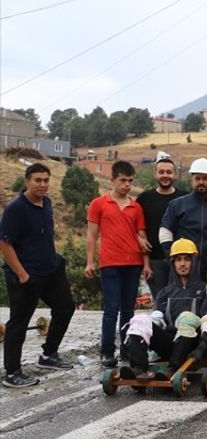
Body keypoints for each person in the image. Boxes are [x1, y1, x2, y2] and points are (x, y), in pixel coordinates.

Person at [1, 164, 75, 387]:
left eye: (46, 180)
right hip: (26, 275)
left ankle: (48, 354)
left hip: (50, 270)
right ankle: (12, 373)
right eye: (37, 180)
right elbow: (4, 243)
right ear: (27, 182)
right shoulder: (16, 209)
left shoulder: (47, 203)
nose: (42, 184)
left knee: (65, 308)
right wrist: (22, 274)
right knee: (19, 323)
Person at [121, 238, 207, 377]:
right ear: (173, 263)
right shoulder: (165, 292)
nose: (182, 264)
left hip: (193, 346)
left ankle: (172, 369)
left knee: (187, 316)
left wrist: (202, 347)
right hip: (170, 344)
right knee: (140, 319)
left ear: (194, 262)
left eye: (187, 259)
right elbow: (157, 320)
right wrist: (143, 332)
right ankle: (138, 368)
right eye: (178, 260)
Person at [85, 160, 149, 367]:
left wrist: (146, 264)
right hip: (110, 262)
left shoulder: (136, 207)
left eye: (130, 181)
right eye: (123, 180)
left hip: (133, 262)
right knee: (111, 309)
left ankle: (127, 348)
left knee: (128, 309)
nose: (127, 185)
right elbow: (92, 235)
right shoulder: (99, 204)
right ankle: (107, 351)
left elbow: (142, 237)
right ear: (113, 180)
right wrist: (89, 262)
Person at [159, 157, 207, 278]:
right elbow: (165, 231)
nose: (201, 182)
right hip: (184, 269)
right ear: (191, 180)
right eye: (197, 178)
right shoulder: (177, 205)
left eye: (205, 178)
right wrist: (172, 255)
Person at [137, 157, 185, 295]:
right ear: (155, 174)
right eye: (161, 172)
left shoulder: (184, 198)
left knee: (179, 299)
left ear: (175, 174)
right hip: (154, 259)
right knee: (160, 300)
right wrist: (139, 240)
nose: (165, 175)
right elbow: (133, 225)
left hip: (180, 259)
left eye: (169, 172)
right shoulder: (144, 198)